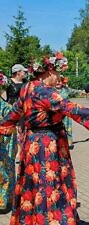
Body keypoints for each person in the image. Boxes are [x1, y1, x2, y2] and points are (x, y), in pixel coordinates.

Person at [0, 52, 89, 224]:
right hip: (46, 146)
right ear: (48, 72)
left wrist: (3, 127)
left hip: (30, 144)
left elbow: (14, 112)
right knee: (49, 185)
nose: (59, 77)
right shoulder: (44, 91)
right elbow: (70, 107)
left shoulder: (27, 87)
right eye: (58, 73)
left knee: (33, 184)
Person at [0, 71, 17, 214]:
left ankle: (5, 202)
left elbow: (10, 124)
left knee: (5, 171)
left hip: (3, 144)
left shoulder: (4, 106)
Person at [56, 76, 87, 149]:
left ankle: (69, 143)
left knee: (67, 127)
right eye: (56, 81)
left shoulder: (66, 89)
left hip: (67, 112)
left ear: (62, 82)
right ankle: (58, 143)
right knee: (58, 128)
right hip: (56, 113)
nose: (58, 82)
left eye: (60, 81)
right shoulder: (51, 90)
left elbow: (74, 91)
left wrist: (82, 92)